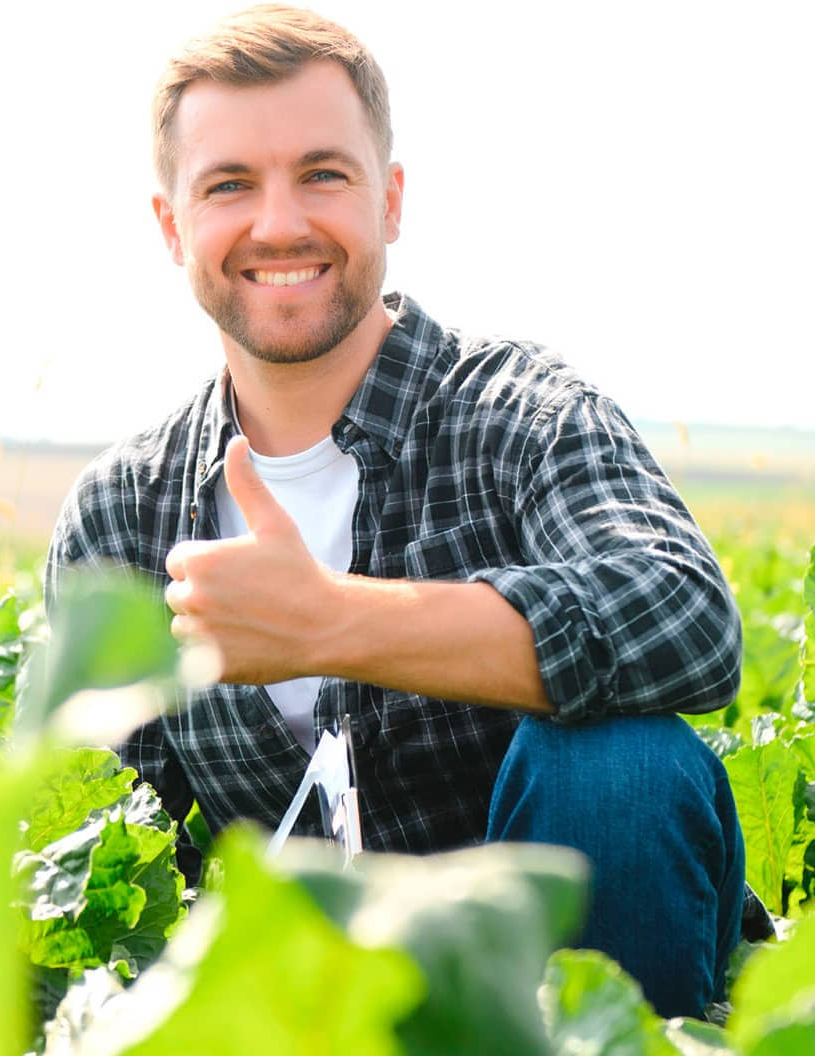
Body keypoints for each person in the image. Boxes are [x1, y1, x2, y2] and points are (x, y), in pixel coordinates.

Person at [43, 4, 747, 1019]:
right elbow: (99, 843)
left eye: (323, 174)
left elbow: (686, 621)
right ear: (172, 225)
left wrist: (331, 621)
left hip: (565, 992)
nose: (279, 224)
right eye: (229, 185)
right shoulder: (122, 517)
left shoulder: (521, 416)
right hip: (307, 1013)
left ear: (392, 201)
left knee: (619, 767)